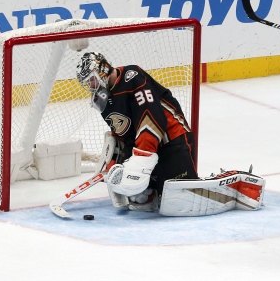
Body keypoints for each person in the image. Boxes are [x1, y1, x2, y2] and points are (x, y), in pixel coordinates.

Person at [75, 52, 198, 212]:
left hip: (172, 141)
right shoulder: (102, 98)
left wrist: (142, 157)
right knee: (137, 196)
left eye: (91, 79)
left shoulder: (131, 77)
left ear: (102, 70)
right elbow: (122, 132)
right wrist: (115, 160)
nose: (90, 86)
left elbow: (152, 117)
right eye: (87, 83)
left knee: (181, 199)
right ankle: (150, 191)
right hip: (144, 148)